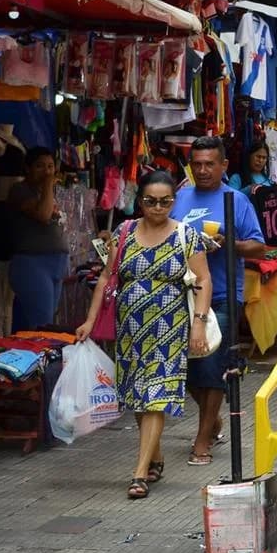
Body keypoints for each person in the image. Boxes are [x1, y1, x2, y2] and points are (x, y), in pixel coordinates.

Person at [75, 171, 212, 499]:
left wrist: (198, 324)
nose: (158, 207)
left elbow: (203, 280)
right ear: (140, 201)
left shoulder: (186, 236)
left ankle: (139, 474)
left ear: (173, 202)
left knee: (156, 395)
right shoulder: (123, 232)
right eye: (151, 201)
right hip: (130, 329)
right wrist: (89, 321)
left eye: (166, 201)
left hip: (170, 327)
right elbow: (107, 277)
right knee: (137, 394)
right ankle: (156, 454)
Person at [171, 136, 267, 466]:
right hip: (181, 295)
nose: (203, 170)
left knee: (212, 365)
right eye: (197, 164)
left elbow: (259, 247)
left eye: (209, 164)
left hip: (224, 294)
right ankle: (211, 418)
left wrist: (229, 245)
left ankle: (201, 440)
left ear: (223, 166)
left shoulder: (236, 200)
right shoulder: (179, 197)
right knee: (185, 369)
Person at [8, 146, 70, 331]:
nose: (47, 172)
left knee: (44, 321)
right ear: (28, 168)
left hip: (56, 263)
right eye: (40, 166)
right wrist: (49, 184)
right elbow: (43, 215)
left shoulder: (47, 192)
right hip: (33, 264)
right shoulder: (20, 190)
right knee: (42, 325)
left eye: (50, 166)